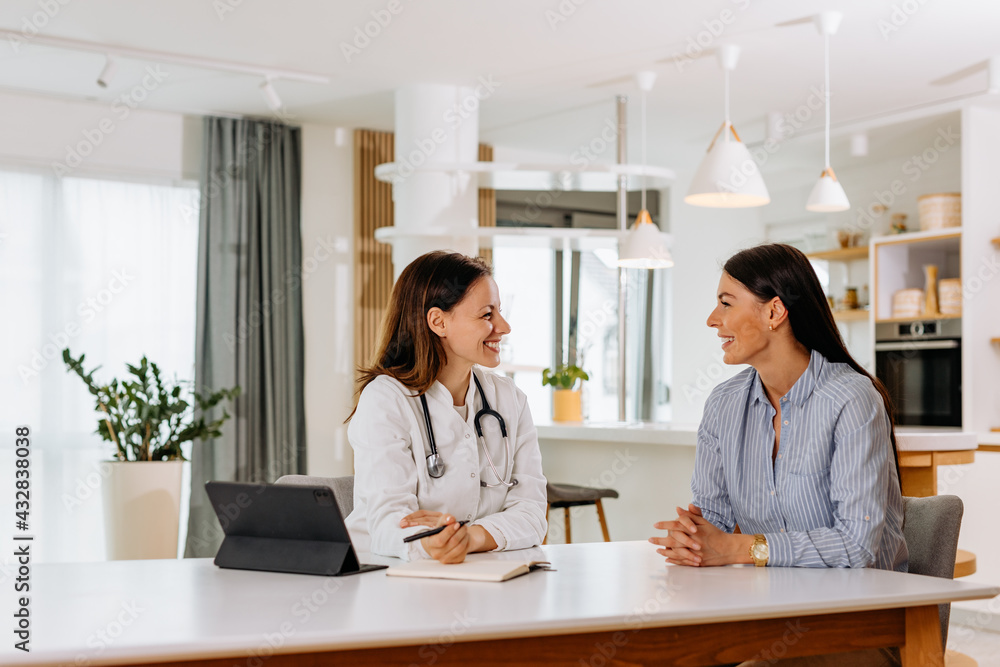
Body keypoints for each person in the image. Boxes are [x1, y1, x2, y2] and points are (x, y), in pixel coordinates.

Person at [650, 243, 907, 665]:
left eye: (725, 303)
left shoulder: (851, 400)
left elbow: (856, 545)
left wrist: (736, 549)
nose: (713, 320)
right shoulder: (723, 404)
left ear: (774, 313)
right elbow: (711, 525)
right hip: (765, 615)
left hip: (857, 624)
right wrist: (693, 541)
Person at [345, 251, 547, 564]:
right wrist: (433, 543)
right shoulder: (385, 400)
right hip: (383, 577)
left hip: (473, 574)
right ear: (439, 321)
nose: (504, 327)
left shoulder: (510, 400)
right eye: (487, 315)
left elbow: (532, 513)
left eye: (500, 313)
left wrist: (471, 537)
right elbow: (388, 524)